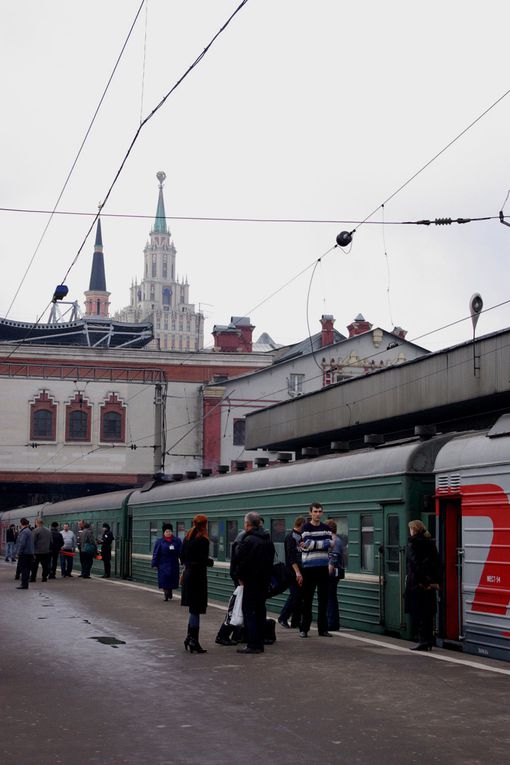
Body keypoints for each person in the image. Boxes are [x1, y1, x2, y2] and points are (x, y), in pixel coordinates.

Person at [233, 511, 275, 654]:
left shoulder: (249, 540)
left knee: (249, 611)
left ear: (248, 524)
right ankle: (260, 643)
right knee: (260, 611)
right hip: (264, 582)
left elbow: (241, 560)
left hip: (251, 582)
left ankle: (252, 644)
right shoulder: (268, 540)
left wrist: (240, 576)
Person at [404, 519, 440, 651]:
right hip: (430, 584)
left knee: (419, 613)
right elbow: (436, 563)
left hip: (418, 584)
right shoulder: (430, 543)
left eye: (410, 528)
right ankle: (429, 640)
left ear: (414, 529)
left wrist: (421, 582)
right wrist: (432, 582)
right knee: (428, 613)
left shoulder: (414, 544)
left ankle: (423, 641)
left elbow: (414, 564)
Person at [299, 502, 333, 638]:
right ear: (310, 513)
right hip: (309, 568)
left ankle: (322, 629)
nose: (317, 514)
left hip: (323, 568)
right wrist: (321, 544)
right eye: (315, 511)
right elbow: (307, 543)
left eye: (319, 511)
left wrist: (312, 545)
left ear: (322, 513)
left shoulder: (326, 528)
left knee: (323, 600)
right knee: (307, 600)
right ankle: (304, 629)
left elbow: (330, 544)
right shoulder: (305, 527)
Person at [180, 514, 213, 654]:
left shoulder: (187, 536)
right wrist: (209, 562)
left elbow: (182, 556)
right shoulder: (203, 539)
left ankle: (189, 638)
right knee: (196, 609)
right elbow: (202, 559)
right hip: (197, 576)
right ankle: (193, 640)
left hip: (188, 574)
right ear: (204, 525)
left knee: (193, 609)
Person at [278, 516, 305, 629]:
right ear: (301, 525)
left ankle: (295, 620)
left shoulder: (302, 537)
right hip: (293, 571)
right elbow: (291, 557)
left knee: (300, 597)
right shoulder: (291, 537)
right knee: (295, 595)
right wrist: (297, 573)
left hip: (302, 571)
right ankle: (283, 617)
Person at [151, 523, 182, 600]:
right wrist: (154, 563)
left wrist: (183, 560)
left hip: (173, 563)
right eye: (167, 531)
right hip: (163, 564)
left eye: (170, 531)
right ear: (164, 532)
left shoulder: (177, 541)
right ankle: (166, 594)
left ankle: (170, 591)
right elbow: (156, 553)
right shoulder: (160, 541)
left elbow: (181, 551)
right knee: (164, 579)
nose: (168, 533)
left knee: (172, 579)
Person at [326, 519, 344, 632]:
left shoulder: (335, 541)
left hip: (332, 574)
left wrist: (327, 574)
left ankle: (332, 623)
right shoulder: (336, 540)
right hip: (333, 573)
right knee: (331, 597)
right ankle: (333, 622)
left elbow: (333, 558)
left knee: (330, 598)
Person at [15, 518, 34, 590]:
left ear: (21, 523)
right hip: (29, 553)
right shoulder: (29, 531)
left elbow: (22, 543)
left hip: (24, 554)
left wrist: (18, 553)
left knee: (24, 569)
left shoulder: (24, 532)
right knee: (27, 569)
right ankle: (25, 584)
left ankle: (24, 584)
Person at [31, 518, 52, 582]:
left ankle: (33, 578)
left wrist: (32, 551)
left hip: (37, 551)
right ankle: (44, 577)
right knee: (45, 565)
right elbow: (51, 541)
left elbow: (33, 541)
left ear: (37, 523)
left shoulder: (35, 530)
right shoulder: (48, 531)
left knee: (34, 566)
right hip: (46, 551)